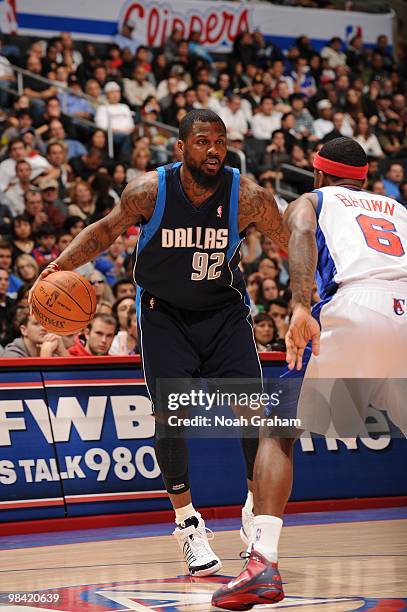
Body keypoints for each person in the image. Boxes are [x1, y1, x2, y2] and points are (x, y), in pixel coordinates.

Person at [29, 109, 289, 577]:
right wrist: (58, 266)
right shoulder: (150, 190)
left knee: (252, 411)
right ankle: (187, 525)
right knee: (172, 414)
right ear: (181, 147)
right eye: (203, 141)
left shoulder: (247, 196)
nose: (213, 150)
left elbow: (289, 240)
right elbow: (105, 231)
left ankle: (253, 507)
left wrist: (319, 292)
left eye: (220, 141)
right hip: (164, 314)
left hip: (224, 313)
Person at [212, 136, 407, 610]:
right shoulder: (398, 209)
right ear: (365, 177)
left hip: (355, 305)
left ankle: (262, 563)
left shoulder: (313, 200)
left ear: (319, 173)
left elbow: (299, 233)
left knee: (276, 427)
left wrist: (301, 305)